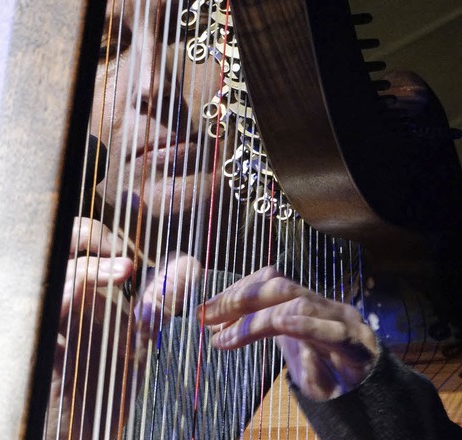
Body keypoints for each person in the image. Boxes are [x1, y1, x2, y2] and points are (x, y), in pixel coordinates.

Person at [48, 0, 462, 439]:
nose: (152, 85)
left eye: (192, 31)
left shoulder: (393, 291)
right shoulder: (42, 349)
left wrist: (385, 413)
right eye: (104, 50)